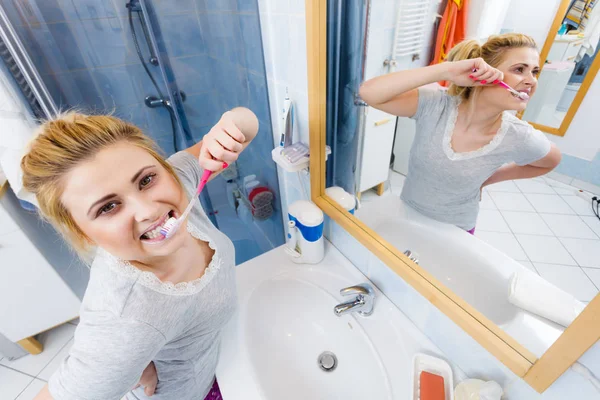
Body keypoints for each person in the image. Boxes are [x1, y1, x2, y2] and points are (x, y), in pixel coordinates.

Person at [25, 107, 259, 400]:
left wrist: (228, 127)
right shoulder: (125, 319)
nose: (149, 210)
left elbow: (246, 124)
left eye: (146, 180)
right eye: (108, 207)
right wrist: (127, 358)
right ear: (84, 233)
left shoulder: (181, 182)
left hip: (217, 361)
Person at [359, 33, 561, 234]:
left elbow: (551, 161)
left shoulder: (520, 136)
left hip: (457, 230)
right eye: (519, 69)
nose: (531, 81)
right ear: (487, 73)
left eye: (535, 72)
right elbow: (369, 93)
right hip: (408, 213)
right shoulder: (436, 105)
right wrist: (446, 71)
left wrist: (488, 179)